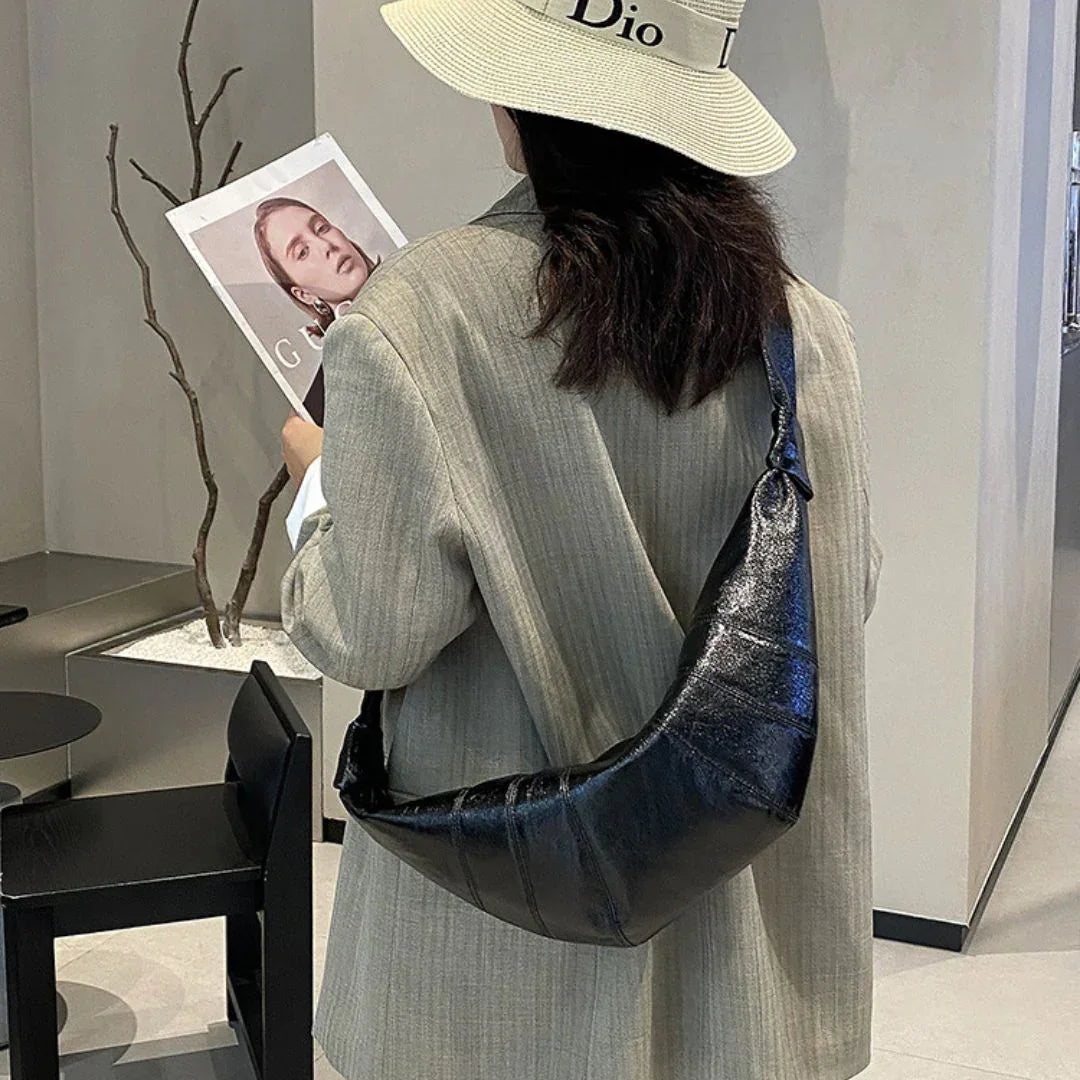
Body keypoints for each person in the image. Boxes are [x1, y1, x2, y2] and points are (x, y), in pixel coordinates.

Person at [280, 0, 884, 1077]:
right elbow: (843, 592)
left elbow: (369, 633)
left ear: (518, 95)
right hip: (737, 937)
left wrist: (317, 482)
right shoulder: (804, 328)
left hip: (503, 948)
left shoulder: (423, 315)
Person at [253, 196, 382, 421]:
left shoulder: (428, 276)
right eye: (302, 252)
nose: (326, 246)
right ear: (304, 294)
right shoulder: (327, 396)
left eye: (322, 228)